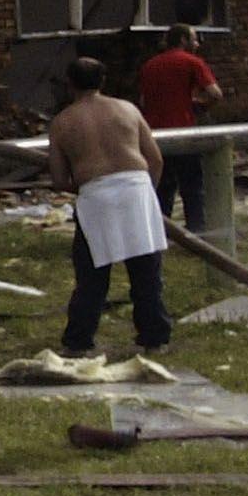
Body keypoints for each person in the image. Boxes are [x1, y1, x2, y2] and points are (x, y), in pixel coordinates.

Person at [48, 56, 172, 357]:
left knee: (92, 276)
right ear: (102, 81)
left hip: (97, 193)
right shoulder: (127, 109)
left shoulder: (63, 121)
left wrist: (87, 185)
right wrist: (146, 194)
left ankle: (78, 340)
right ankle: (153, 337)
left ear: (70, 84)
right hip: (136, 187)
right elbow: (155, 159)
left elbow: (59, 178)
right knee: (146, 272)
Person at [134, 23, 223, 231]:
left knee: (162, 186)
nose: (197, 43)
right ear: (183, 40)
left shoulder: (150, 65)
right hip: (183, 131)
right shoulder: (192, 62)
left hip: (155, 135)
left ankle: (160, 230)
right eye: (193, 39)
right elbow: (215, 93)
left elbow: (143, 100)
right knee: (192, 187)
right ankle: (196, 232)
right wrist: (201, 107)